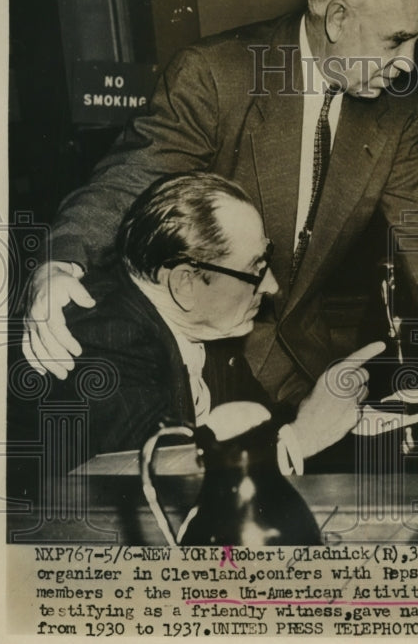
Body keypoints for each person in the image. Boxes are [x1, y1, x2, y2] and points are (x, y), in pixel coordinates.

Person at [20, 0, 418, 410]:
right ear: (337, 17)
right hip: (212, 367)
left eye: (417, 39)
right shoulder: (215, 77)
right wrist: (59, 263)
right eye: (395, 40)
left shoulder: (400, 108)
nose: (409, 62)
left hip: (307, 368)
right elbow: (124, 187)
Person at [51, 172, 380, 471]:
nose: (271, 286)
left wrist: (322, 409)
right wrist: (302, 439)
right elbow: (158, 487)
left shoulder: (208, 328)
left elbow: (261, 427)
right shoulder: (106, 340)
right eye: (254, 269)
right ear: (185, 284)